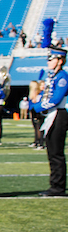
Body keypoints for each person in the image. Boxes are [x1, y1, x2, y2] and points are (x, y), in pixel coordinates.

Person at [33, 47, 67, 196]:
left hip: (60, 114)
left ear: (59, 61)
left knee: (56, 152)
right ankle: (55, 184)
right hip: (53, 113)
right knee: (52, 151)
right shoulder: (54, 76)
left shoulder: (62, 77)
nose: (48, 62)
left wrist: (37, 107)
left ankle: (58, 187)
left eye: (51, 59)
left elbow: (56, 99)